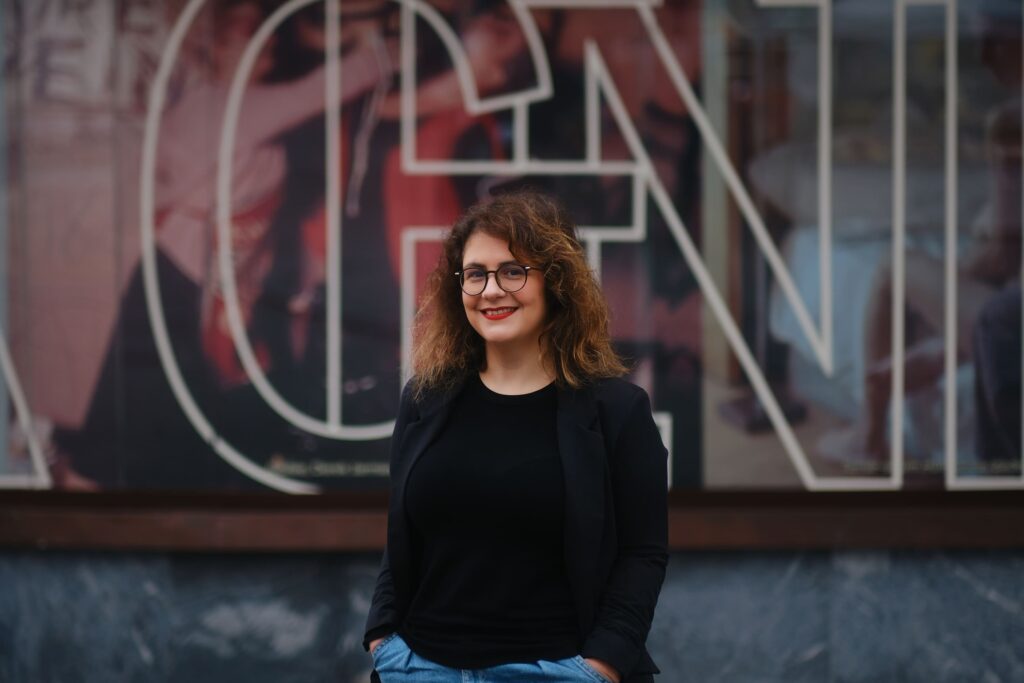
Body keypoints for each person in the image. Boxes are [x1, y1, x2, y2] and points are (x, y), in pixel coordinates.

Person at [363, 192, 669, 682]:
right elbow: (401, 537)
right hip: (422, 667)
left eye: (512, 271)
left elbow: (643, 553)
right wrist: (383, 637)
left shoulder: (617, 411)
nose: (490, 290)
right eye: (475, 274)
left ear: (556, 281)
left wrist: (602, 665)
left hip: (555, 669)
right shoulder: (424, 399)